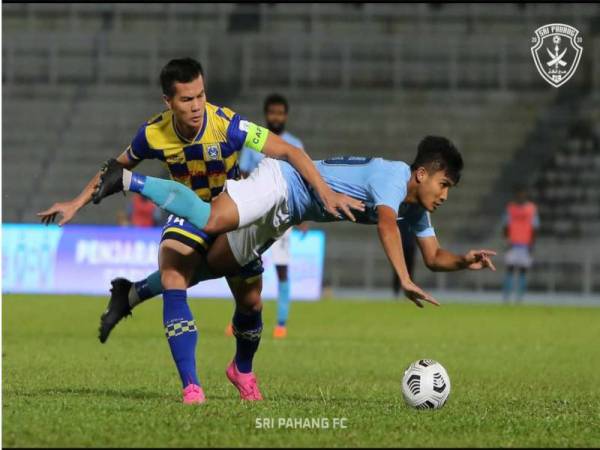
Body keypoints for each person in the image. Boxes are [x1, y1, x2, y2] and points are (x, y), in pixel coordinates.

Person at [37, 57, 359, 405]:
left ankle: (242, 369)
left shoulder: (229, 124)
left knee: (250, 303)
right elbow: (114, 169)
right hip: (185, 213)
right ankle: (191, 386)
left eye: (200, 96)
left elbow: (290, 151)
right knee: (174, 275)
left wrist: (324, 193)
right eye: (186, 99)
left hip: (231, 212)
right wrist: (75, 202)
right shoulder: (152, 133)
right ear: (168, 102)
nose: (195, 106)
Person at [93, 135, 497, 317]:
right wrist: (402, 278)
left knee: (205, 269)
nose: (445, 194)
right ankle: (126, 179)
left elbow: (434, 257)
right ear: (422, 173)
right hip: (280, 181)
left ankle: (130, 294)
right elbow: (386, 226)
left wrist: (464, 261)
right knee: (214, 218)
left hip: (286, 214)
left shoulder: (416, 211)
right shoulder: (393, 177)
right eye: (444, 185)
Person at [225, 93, 305, 339]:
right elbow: (243, 175)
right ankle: (239, 319)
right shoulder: (253, 142)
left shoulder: (294, 145)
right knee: (241, 268)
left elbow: (303, 181)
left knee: (282, 270)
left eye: (280, 113)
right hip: (255, 215)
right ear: (266, 114)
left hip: (283, 216)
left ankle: (281, 322)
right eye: (272, 112)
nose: (276, 117)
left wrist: (303, 216)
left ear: (286, 115)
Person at [502, 186, 539, 303]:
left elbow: (534, 228)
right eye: (519, 194)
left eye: (522, 194)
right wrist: (506, 239)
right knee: (510, 270)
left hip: (525, 245)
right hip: (513, 244)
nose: (521, 196)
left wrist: (532, 244)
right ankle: (507, 297)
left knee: (523, 271)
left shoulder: (531, 209)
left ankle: (519, 298)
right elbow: (506, 226)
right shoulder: (511, 208)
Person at [391, 220, 417, 298]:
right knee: (397, 270)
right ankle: (396, 291)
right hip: (399, 246)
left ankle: (409, 292)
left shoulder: (412, 220)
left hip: (410, 247)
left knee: (409, 270)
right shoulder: (399, 219)